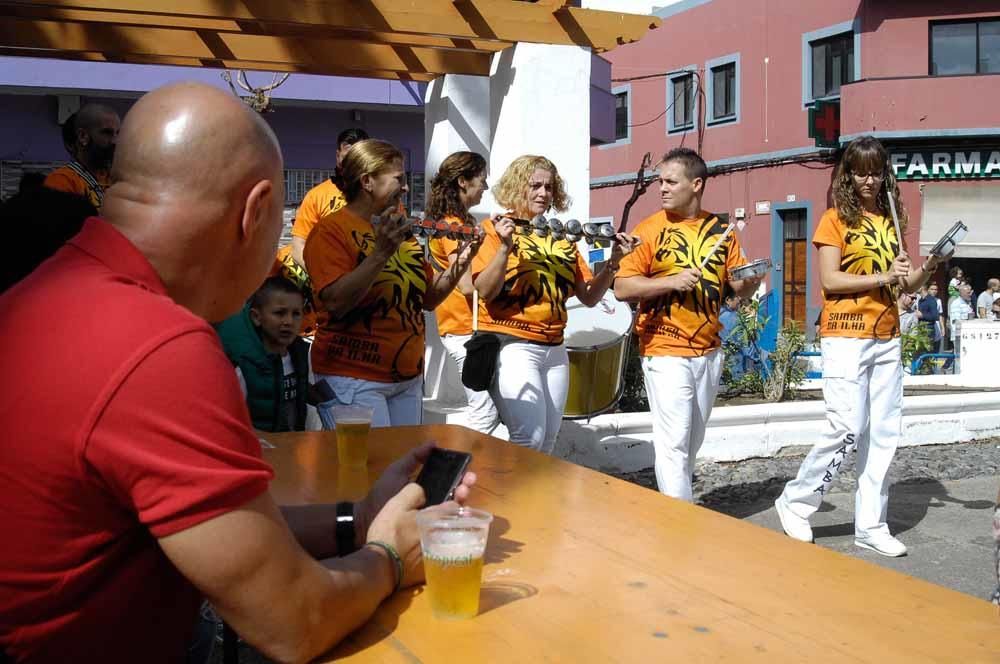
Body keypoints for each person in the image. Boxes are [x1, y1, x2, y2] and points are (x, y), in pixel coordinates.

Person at [0, 82, 475, 664]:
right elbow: (293, 623)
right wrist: (390, 556)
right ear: (255, 212)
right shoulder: (160, 347)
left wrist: (362, 515)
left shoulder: (39, 299)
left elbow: (219, 533)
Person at [774, 136, 945, 557]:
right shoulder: (834, 220)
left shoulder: (889, 220)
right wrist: (885, 278)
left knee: (883, 434)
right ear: (847, 175)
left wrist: (928, 267)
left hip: (886, 335)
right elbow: (831, 281)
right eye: (860, 171)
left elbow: (904, 284)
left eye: (875, 171)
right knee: (847, 426)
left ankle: (871, 524)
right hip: (845, 334)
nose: (869, 179)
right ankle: (796, 501)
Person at [614, 147, 762, 500]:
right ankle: (680, 526)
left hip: (708, 349)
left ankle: (675, 510)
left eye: (670, 181)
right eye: (659, 182)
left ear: (696, 185)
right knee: (675, 443)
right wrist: (670, 281)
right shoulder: (648, 230)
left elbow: (735, 286)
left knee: (691, 442)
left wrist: (751, 280)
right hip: (664, 348)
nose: (661, 188)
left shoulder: (721, 229)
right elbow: (622, 287)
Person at [472, 155, 638, 453]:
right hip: (513, 344)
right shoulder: (494, 229)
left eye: (549, 187)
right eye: (534, 185)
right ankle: (515, 499)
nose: (543, 193)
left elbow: (588, 296)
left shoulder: (562, 237)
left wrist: (614, 262)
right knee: (529, 438)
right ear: (516, 187)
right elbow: (483, 290)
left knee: (547, 440)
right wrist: (505, 247)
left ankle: (533, 500)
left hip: (555, 347)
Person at [305, 139, 474, 427]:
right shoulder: (331, 231)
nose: (406, 187)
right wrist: (380, 252)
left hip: (406, 379)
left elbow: (428, 298)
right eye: (399, 179)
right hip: (353, 377)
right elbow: (335, 303)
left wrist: (464, 259)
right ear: (368, 181)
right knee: (368, 469)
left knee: (401, 465)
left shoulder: (398, 229)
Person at [425, 151, 507, 438]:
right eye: (482, 179)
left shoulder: (463, 221)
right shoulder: (453, 225)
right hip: (462, 330)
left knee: (491, 409)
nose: (485, 186)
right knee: (484, 411)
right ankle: (450, 472)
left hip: (470, 328)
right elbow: (467, 285)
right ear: (463, 181)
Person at [216, 276, 310, 432]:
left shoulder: (300, 354)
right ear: (257, 317)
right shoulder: (243, 364)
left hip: (292, 448)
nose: (288, 321)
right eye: (280, 313)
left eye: (296, 314)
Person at [286, 127, 370, 271]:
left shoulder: (383, 194)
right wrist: (321, 278)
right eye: (347, 156)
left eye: (358, 158)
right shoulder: (316, 196)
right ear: (338, 156)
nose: (352, 163)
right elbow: (298, 246)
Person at [44, 103, 120, 210]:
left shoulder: (118, 178)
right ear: (83, 136)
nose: (115, 141)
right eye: (106, 132)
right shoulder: (62, 180)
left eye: (117, 133)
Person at [948, 282, 974, 369]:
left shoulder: (967, 303)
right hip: (959, 336)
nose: (970, 294)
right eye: (968, 292)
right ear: (961, 293)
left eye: (970, 292)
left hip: (967, 335)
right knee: (959, 359)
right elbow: (956, 322)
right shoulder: (956, 303)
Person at [918, 282, 944, 351]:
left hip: (928, 331)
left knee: (928, 353)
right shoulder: (920, 300)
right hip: (921, 330)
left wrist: (922, 315)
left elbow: (936, 316)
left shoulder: (931, 300)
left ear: (922, 288)